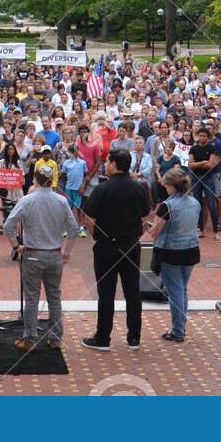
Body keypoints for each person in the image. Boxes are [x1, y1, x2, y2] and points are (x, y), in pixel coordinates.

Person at [80, 149, 151, 352]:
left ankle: (103, 338)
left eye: (107, 162)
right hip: (131, 245)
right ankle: (134, 337)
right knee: (133, 292)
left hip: (106, 246)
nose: (105, 165)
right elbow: (145, 217)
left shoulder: (102, 189)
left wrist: (96, 235)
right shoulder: (139, 188)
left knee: (106, 294)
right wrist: (134, 233)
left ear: (113, 164)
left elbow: (90, 218)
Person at [3, 160, 74, 352]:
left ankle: (30, 339)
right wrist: (67, 252)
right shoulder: (61, 201)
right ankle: (55, 338)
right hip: (55, 254)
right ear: (53, 180)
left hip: (33, 254)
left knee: (32, 298)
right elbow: (73, 229)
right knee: (54, 297)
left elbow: (8, 226)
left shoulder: (27, 200)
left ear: (35, 179)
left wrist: (16, 246)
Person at [147, 166, 199, 343]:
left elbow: (155, 232)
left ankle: (178, 330)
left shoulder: (166, 206)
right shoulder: (195, 202)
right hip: (191, 249)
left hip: (171, 252)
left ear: (171, 185)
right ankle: (180, 326)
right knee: (182, 288)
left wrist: (148, 226)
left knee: (175, 290)